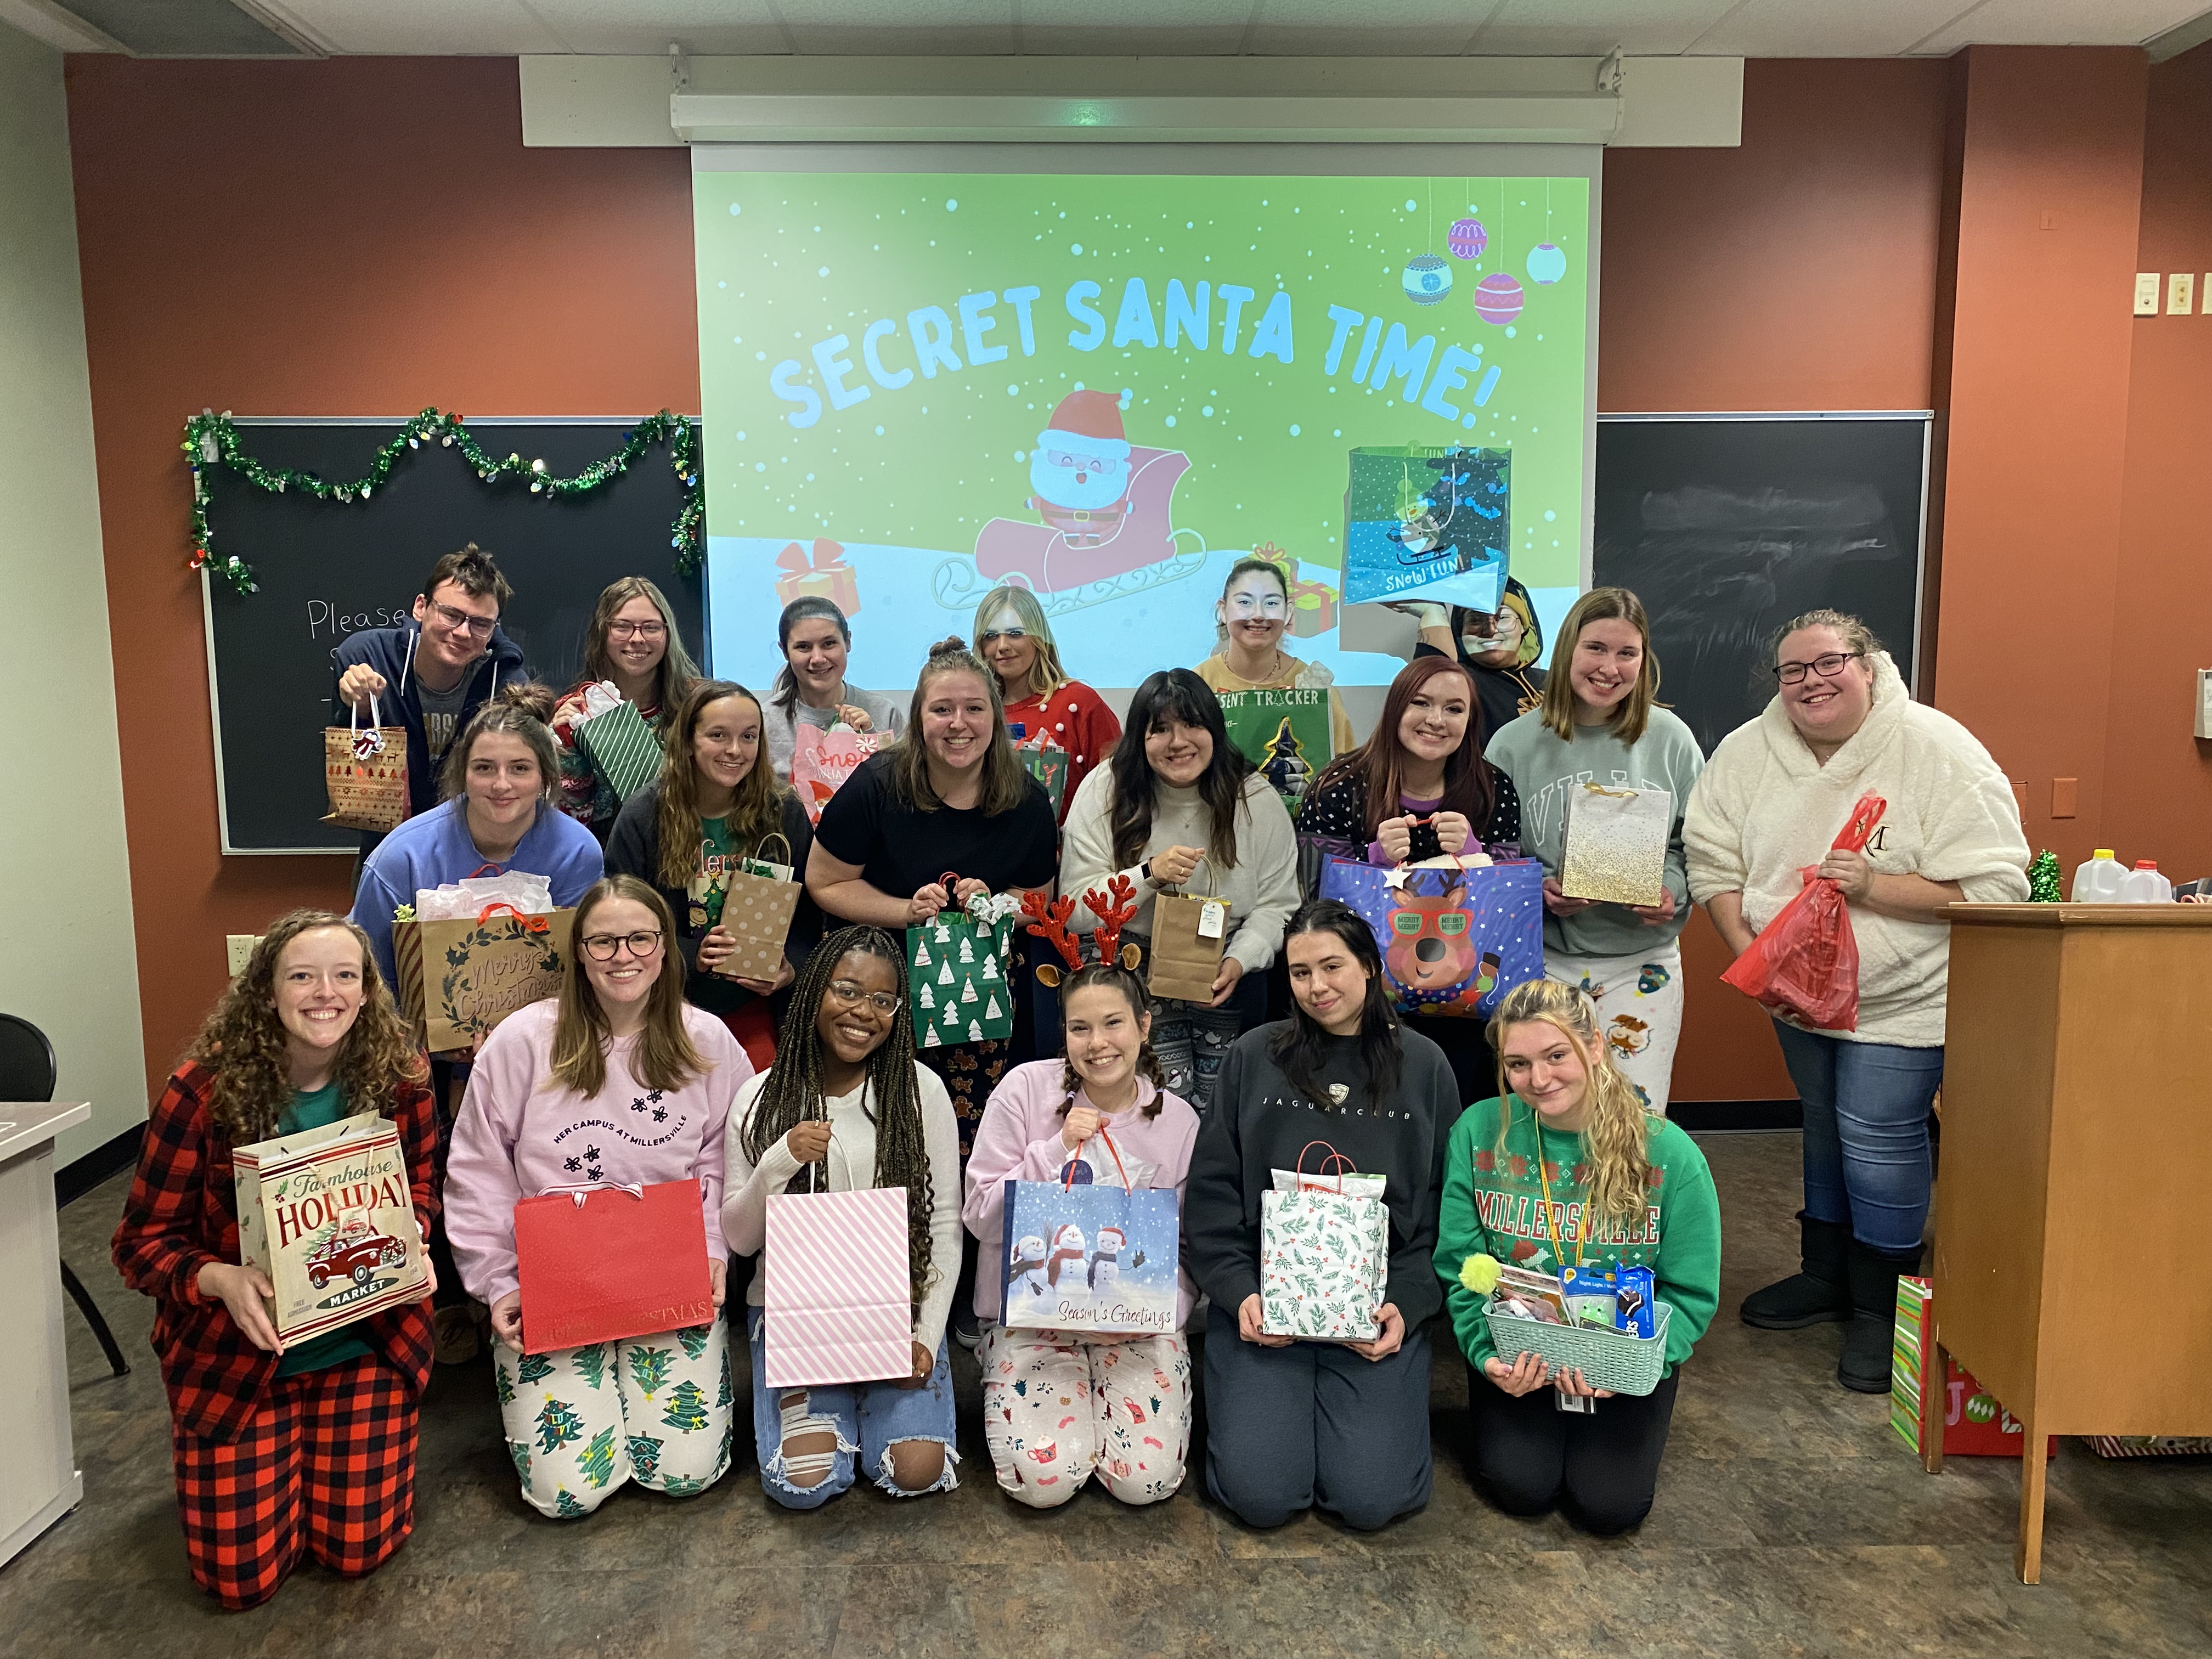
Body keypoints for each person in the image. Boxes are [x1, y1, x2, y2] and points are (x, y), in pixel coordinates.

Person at [1683, 609, 2028, 1392]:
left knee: (1876, 1134)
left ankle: (1884, 1307)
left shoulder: (1938, 749)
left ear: (1869, 665)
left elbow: (1994, 883)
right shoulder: (1746, 752)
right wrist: (1755, 958)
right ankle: (1825, 1274)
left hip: (1902, 997)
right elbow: (1711, 859)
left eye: (1829, 662)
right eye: (1792, 670)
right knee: (1821, 1124)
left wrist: (1878, 887)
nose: (1811, 681)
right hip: (1795, 996)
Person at [111, 911, 437, 1609]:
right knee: (241, 1583)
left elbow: (419, 1189)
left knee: (359, 1552)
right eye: (303, 976)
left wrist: (416, 1243)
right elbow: (140, 1245)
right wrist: (220, 1279)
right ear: (266, 992)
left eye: (345, 976)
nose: (326, 993)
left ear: (366, 989)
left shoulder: (399, 1078)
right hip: (239, 1360)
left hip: (364, 1345)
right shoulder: (202, 1091)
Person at [444, 876, 746, 1517]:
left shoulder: (710, 1041)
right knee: (566, 1493)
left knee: (684, 1475)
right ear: (577, 951)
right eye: (603, 941)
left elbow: (730, 1157)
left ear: (666, 949)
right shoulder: (522, 1042)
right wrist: (500, 1282)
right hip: (553, 1281)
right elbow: (477, 1171)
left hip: (669, 1276)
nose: (623, 955)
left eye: (640, 938)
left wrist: (714, 1248)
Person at [1184, 900, 1459, 1532]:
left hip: (1374, 1307)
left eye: (1331, 966)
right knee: (1262, 1497)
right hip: (1266, 1305)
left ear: (1368, 965)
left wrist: (1409, 1303)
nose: (1317, 987)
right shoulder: (1254, 1057)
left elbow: (1448, 1203)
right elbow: (1213, 1194)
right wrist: (1238, 1292)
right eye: (1300, 973)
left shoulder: (1426, 1067)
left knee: (1371, 1500)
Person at [1435, 978, 1721, 1535]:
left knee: (1609, 1506)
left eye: (1556, 1055)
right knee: (1521, 1489)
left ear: (1594, 1046)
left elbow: (1691, 1290)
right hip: (1521, 1351)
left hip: (1623, 1357)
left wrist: (1639, 1369)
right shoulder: (1478, 1131)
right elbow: (1463, 1263)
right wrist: (1483, 1353)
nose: (1538, 1080)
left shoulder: (1668, 1153)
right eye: (1517, 1064)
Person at [721, 926, 962, 1508]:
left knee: (916, 1471)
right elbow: (740, 1238)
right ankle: (834, 1412)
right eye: (847, 991)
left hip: (896, 1308)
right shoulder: (759, 1097)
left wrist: (925, 1337)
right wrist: (779, 1160)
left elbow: (945, 1224)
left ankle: (872, 1407)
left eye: (883, 1000)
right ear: (813, 994)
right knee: (805, 1483)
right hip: (794, 1316)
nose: (864, 1013)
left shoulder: (919, 1090)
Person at [962, 961, 1201, 1508]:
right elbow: (979, 1216)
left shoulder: (1179, 1121)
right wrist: (1052, 1152)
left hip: (1137, 1326)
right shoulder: (1025, 1090)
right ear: (1063, 1031)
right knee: (1042, 1483)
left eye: (1113, 1024)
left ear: (1144, 1026)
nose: (1098, 1044)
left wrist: (1164, 1309)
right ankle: (1041, 1396)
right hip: (1033, 1319)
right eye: (1080, 1028)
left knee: (1146, 1482)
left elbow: (1188, 1244)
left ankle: (1105, 1414)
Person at [806, 637, 1059, 1152]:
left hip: (977, 997)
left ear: (996, 713)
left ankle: (955, 1231)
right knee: (875, 1128)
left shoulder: (1027, 800)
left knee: (967, 1138)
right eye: (941, 709)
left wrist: (994, 905)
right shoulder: (877, 785)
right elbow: (824, 882)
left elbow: (1036, 900)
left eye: (974, 708)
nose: (958, 723)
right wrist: (904, 912)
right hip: (881, 989)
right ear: (919, 718)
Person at [1484, 588, 1704, 1116]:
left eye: (1627, 653)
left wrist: (1671, 891)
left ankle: (1624, 1205)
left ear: (1643, 660)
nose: (1610, 667)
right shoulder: (1512, 745)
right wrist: (1535, 891)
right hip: (1543, 963)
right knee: (1548, 1112)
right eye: (1596, 649)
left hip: (1642, 964)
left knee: (1634, 1117)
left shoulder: (1670, 739)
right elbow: (1491, 856)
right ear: (1567, 652)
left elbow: (1700, 843)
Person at [1060, 668, 1298, 1112]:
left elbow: (1279, 904)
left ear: (1215, 729)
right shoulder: (1105, 789)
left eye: (1192, 725)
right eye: (1161, 729)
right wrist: (1147, 875)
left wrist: (1240, 958)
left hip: (1223, 969)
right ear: (1139, 737)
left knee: (1221, 1107)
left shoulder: (1254, 797)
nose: (1178, 742)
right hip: (1131, 969)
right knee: (1156, 1104)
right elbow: (1075, 907)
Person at [1295, 655, 1525, 1104]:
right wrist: (1372, 860)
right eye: (1421, 703)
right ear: (1396, 708)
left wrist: (1474, 856)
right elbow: (1309, 897)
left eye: (1454, 709)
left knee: (1450, 1109)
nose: (1436, 720)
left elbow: (1509, 906)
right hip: (1357, 996)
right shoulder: (1339, 785)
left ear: (1471, 720)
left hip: (1462, 1002)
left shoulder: (1492, 789)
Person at [606, 679, 817, 1073]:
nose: (735, 751)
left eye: (748, 736)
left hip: (757, 1006)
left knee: (758, 1108)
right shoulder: (644, 816)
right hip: (668, 1003)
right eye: (718, 735)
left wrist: (790, 968)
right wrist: (690, 955)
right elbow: (619, 924)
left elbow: (809, 918)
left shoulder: (783, 811)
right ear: (688, 740)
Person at [349, 683, 604, 999]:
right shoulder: (401, 858)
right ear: (463, 772)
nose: (501, 784)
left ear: (545, 776)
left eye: (520, 769)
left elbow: (579, 970)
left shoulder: (577, 852)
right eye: (484, 768)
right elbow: (369, 979)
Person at [332, 543, 529, 838]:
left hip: (474, 847)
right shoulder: (369, 658)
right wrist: (358, 707)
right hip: (387, 848)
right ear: (421, 607)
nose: (463, 632)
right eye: (451, 614)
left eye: (480, 623)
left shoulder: (506, 683)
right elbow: (356, 759)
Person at [549, 577, 702, 840]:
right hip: (605, 856)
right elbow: (571, 822)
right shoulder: (577, 711)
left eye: (651, 628)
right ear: (602, 632)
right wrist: (566, 750)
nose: (638, 639)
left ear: (667, 634)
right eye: (622, 627)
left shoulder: (697, 703)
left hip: (685, 846)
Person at [971, 583, 1120, 824]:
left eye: (1015, 633)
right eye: (991, 636)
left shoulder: (1080, 704)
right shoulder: (975, 712)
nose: (1002, 646)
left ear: (1039, 638)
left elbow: (1119, 791)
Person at [1194, 556, 1356, 765]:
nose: (1259, 615)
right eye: (1245, 602)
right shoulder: (1197, 685)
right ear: (1223, 610)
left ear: (1288, 612)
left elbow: (1344, 768)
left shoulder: (1318, 692)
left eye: (1271, 603)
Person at [763, 596, 907, 783]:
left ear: (848, 642)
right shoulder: (765, 721)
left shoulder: (885, 713)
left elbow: (901, 787)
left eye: (829, 644)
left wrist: (871, 738)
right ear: (785, 652)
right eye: (803, 647)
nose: (818, 658)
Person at [1404, 575, 1549, 739]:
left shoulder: (1552, 681)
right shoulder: (1461, 682)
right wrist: (1433, 613)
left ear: (1524, 625)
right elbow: (1429, 684)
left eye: (1502, 618)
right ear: (1461, 631)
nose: (1490, 630)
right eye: (1475, 620)